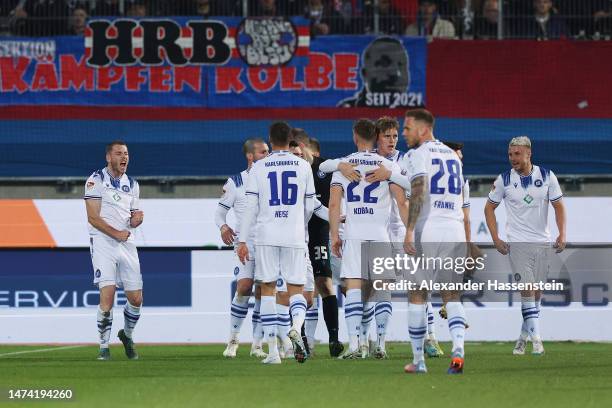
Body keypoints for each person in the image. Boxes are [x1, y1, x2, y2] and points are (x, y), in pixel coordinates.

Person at [329, 119, 408, 359]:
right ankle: (381, 344)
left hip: (354, 234)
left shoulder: (343, 166)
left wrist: (334, 236)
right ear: (376, 137)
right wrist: (411, 232)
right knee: (383, 289)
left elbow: (333, 204)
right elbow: (401, 202)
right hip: (380, 235)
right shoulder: (387, 166)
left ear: (355, 136)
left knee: (353, 288)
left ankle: (354, 346)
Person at [237, 121, 316, 365]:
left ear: (271, 141)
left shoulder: (259, 167)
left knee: (268, 290)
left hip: (266, 236)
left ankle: (272, 353)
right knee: (296, 290)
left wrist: (242, 240)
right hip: (294, 236)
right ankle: (295, 326)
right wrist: (298, 223)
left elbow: (250, 206)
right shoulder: (303, 165)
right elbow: (311, 204)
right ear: (290, 139)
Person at [400, 109, 468, 374]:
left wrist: (410, 230)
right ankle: (459, 350)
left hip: (429, 229)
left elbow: (418, 190)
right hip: (455, 230)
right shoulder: (453, 156)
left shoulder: (418, 155)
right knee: (451, 294)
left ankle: (418, 361)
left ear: (423, 129)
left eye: (407, 128)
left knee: (418, 293)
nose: (404, 133)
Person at [484, 136, 566, 356]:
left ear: (529, 154)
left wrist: (562, 234)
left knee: (536, 294)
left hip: (542, 243)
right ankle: (538, 341)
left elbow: (559, 207)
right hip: (517, 243)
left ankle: (522, 338)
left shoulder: (547, 176)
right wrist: (496, 238)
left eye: (517, 154)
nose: (513, 158)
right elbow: (488, 209)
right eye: (510, 154)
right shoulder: (503, 180)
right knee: (526, 290)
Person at [84, 141, 143, 361]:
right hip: (103, 242)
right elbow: (93, 217)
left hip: (126, 243)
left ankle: (127, 336)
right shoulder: (96, 180)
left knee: (136, 299)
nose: (124, 157)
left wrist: (137, 219)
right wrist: (114, 233)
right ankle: (103, 347)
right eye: (119, 153)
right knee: (107, 297)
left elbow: (133, 214)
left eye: (126, 153)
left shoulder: (133, 184)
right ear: (109, 157)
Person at [292, 129, 345, 357]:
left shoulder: (324, 169)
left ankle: (334, 339)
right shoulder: (291, 169)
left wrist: (337, 224)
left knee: (324, 283)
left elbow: (325, 204)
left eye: (298, 152)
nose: (295, 158)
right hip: (295, 235)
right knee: (302, 290)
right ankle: (302, 340)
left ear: (307, 148)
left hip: (319, 231)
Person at [216, 138, 270, 359]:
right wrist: (223, 227)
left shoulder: (272, 180)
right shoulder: (235, 182)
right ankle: (233, 340)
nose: (267, 155)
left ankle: (257, 345)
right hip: (245, 244)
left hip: (268, 243)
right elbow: (219, 213)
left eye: (268, 152)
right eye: (263, 152)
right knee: (244, 287)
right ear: (250, 156)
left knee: (263, 292)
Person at [337, 37, 410, 108]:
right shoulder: (349, 109)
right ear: (364, 74)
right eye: (384, 63)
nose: (395, 73)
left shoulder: (416, 109)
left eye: (401, 65)